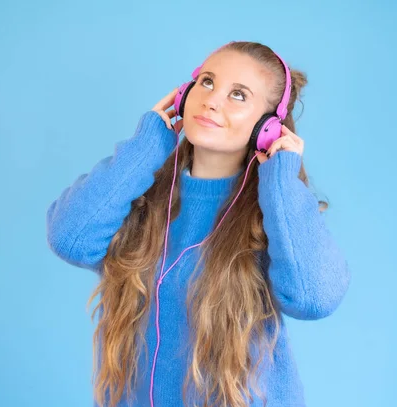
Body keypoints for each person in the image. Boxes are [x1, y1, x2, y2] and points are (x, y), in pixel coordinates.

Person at [46, 40, 351, 407]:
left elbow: (314, 298)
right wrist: (148, 144)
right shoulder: (140, 190)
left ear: (267, 127)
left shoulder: (273, 215)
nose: (212, 100)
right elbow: (71, 239)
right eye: (207, 82)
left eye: (238, 95)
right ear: (183, 96)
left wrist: (281, 177)